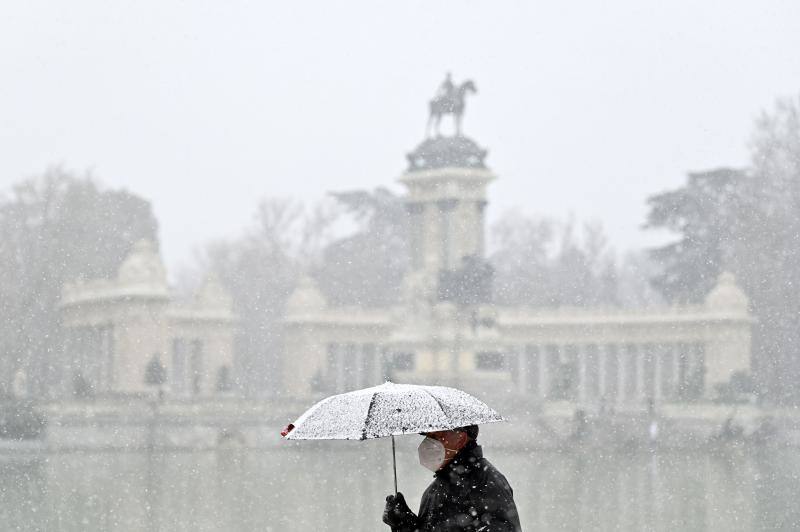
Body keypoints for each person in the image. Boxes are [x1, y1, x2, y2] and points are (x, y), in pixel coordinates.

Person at [382, 425, 522, 531]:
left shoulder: (486, 482)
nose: (428, 444)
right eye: (428, 437)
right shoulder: (433, 490)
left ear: (460, 438)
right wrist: (406, 525)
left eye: (436, 437)